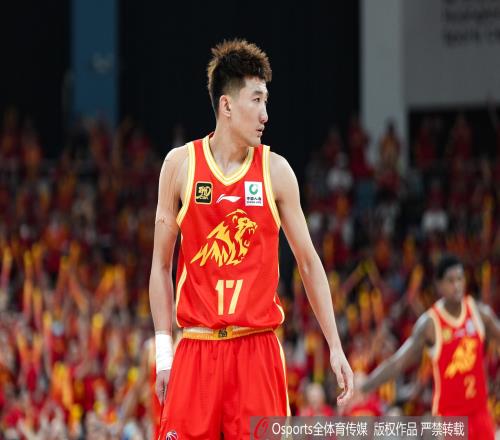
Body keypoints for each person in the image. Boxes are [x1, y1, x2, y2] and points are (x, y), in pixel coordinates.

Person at [149, 39, 353, 439]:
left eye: (266, 101)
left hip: (256, 350)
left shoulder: (277, 171)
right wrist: (163, 354)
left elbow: (309, 262)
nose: (265, 114)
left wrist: (335, 344)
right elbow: (160, 265)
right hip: (196, 347)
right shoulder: (180, 165)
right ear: (226, 105)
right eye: (256, 100)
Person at [359, 254, 500, 439]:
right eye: (451, 281)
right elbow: (398, 363)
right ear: (439, 285)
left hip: (480, 411)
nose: (457, 285)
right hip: (451, 417)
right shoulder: (430, 324)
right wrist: (364, 387)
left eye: (460, 279)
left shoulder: (480, 313)